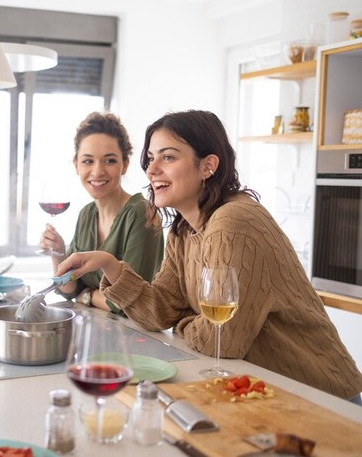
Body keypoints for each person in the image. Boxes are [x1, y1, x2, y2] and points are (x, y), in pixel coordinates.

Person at [57, 110, 362, 402]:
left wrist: (183, 324)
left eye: (168, 156)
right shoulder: (184, 229)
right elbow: (160, 312)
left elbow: (222, 342)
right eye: (151, 158)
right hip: (267, 389)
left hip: (323, 397)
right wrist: (111, 266)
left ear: (207, 166)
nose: (151, 169)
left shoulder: (233, 223)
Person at [39, 112, 164, 313]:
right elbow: (69, 288)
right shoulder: (87, 214)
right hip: (97, 329)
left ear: (125, 165)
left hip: (134, 337)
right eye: (88, 161)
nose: (97, 172)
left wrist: (86, 295)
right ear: (76, 165)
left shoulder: (142, 214)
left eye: (110, 161)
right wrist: (59, 253)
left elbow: (128, 303)